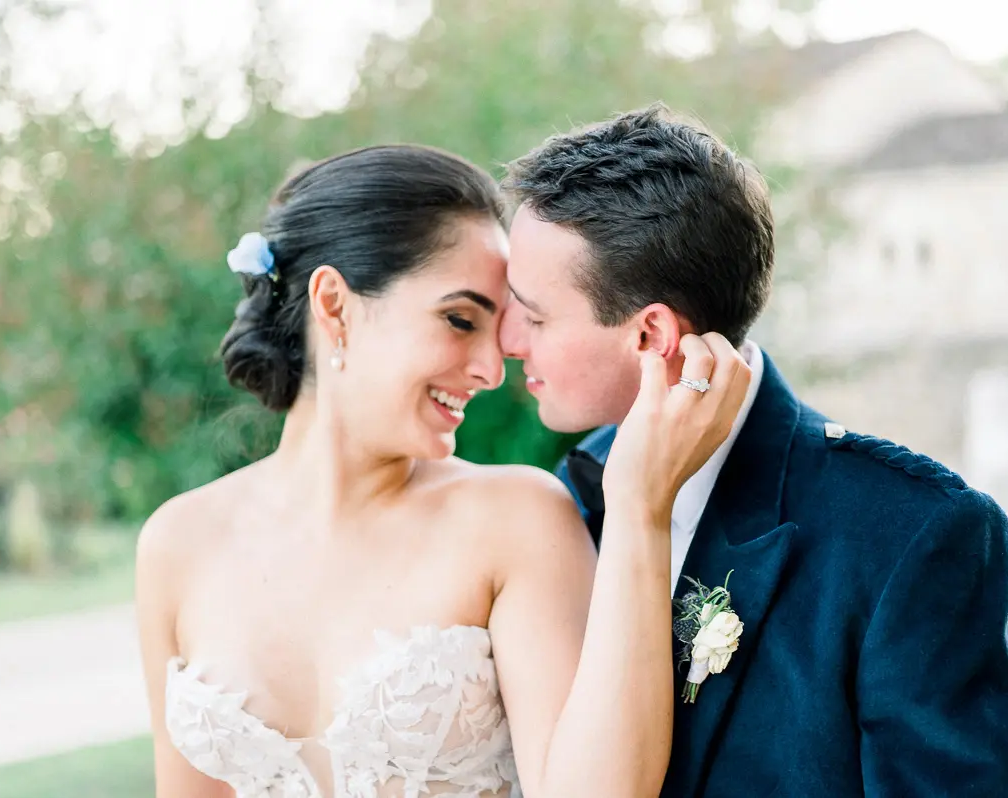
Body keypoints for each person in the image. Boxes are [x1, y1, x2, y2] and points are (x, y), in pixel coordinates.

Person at [135, 143, 752, 798]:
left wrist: (639, 509)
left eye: (504, 326)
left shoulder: (518, 517)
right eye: (460, 320)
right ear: (335, 305)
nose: (491, 370)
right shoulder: (176, 543)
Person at [499, 104, 1008, 797]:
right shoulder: (569, 496)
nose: (509, 341)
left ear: (650, 336)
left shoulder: (912, 536)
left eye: (535, 317)